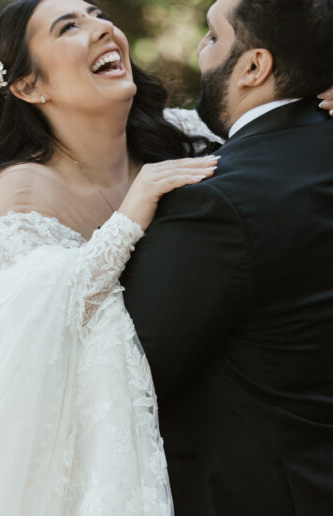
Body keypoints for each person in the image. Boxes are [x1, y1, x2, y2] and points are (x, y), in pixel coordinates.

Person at [0, 0, 222, 514]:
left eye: (97, 14)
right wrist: (128, 220)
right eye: (71, 26)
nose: (102, 28)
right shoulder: (22, 191)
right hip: (95, 468)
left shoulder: (181, 133)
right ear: (28, 86)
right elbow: (29, 340)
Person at [121, 0, 333, 514]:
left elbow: (133, 373)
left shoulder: (217, 200)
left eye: (213, 37)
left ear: (254, 67)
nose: (199, 49)